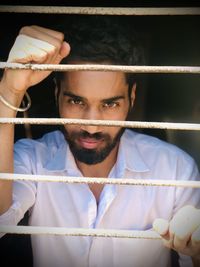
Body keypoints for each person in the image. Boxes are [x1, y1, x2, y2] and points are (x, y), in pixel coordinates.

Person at [0, 16, 199, 267]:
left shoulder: (175, 169)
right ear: (56, 93)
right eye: (76, 101)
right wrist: (9, 89)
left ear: (132, 97)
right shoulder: (31, 159)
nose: (92, 125)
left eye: (110, 104)